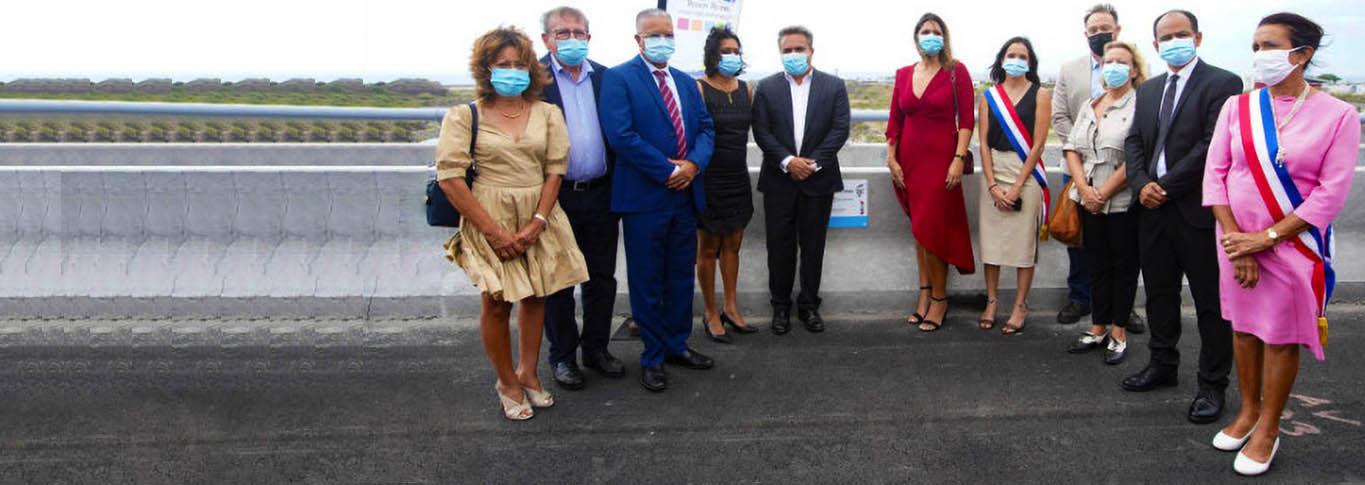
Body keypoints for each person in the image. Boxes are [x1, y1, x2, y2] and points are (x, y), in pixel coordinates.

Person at [1204, 13, 1357, 476]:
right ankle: (1248, 411)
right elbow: (1215, 175)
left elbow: (1330, 193)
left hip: (1293, 245)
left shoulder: (1338, 115)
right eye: (1255, 46)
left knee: (1280, 335)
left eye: (1269, 45)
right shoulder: (1237, 107)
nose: (1259, 55)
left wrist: (1265, 239)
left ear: (1302, 53)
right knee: (1244, 328)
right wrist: (1238, 242)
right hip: (1233, 240)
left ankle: (1269, 427)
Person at [435, 26, 589, 420]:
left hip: (539, 213)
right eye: (503, 64)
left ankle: (529, 373)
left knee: (537, 296)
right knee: (497, 302)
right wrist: (493, 232)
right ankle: (506, 381)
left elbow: (555, 169)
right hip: (488, 214)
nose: (512, 71)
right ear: (486, 69)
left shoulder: (548, 113)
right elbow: (450, 177)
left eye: (520, 64)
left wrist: (537, 221)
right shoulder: (464, 116)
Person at [1120, 10, 1242, 426]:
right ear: (1155, 45)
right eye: (1166, 37)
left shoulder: (1222, 83)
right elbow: (1134, 141)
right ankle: (1162, 364)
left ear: (1198, 37)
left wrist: (1166, 186)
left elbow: (1212, 145)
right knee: (1159, 293)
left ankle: (1212, 384)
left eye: (1182, 34)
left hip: (1198, 211)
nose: (1174, 42)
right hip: (1151, 211)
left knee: (1210, 303)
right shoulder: (1149, 89)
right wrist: (1141, 184)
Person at [598, 8, 716, 392]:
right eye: (654, 35)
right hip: (645, 198)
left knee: (680, 276)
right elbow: (621, 135)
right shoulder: (619, 78)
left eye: (668, 34)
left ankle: (676, 345)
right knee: (647, 280)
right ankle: (651, 356)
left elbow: (706, 130)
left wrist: (693, 165)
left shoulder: (686, 82)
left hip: (685, 196)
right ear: (638, 40)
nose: (662, 41)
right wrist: (668, 171)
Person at [536, 7, 626, 391]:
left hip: (602, 193)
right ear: (547, 39)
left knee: (601, 278)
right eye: (562, 33)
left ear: (589, 37)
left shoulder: (606, 78)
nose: (571, 39)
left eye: (578, 32)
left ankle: (596, 349)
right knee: (559, 282)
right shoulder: (533, 79)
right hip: (555, 199)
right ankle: (563, 356)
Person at [1050, 4, 1146, 333]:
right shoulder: (1070, 70)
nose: (1099, 34)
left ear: (1117, 30)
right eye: (1093, 30)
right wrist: (1083, 155)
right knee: (1082, 241)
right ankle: (1082, 298)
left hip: (1121, 178)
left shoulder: (1138, 85)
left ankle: (1123, 311)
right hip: (1079, 170)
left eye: (1105, 28)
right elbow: (1060, 116)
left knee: (1123, 251)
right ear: (1085, 34)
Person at [752, 25, 851, 335]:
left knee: (813, 247)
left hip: (818, 180)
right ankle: (780, 307)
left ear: (811, 51)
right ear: (780, 53)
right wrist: (788, 162)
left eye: (799, 49)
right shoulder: (766, 87)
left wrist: (811, 163)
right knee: (778, 247)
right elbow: (761, 130)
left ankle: (809, 305)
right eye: (787, 50)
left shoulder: (833, 86)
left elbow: (840, 129)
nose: (793, 54)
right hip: (779, 179)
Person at [887, 12, 975, 332]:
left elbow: (967, 119)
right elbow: (894, 121)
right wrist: (891, 158)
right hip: (909, 162)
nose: (930, 36)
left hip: (941, 162)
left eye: (936, 31)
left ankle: (940, 299)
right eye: (925, 31)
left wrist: (958, 158)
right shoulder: (903, 74)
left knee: (932, 229)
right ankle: (924, 292)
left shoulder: (956, 71)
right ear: (916, 38)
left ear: (944, 37)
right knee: (919, 229)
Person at [975, 36, 1052, 335]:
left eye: (1022, 56)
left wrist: (1018, 186)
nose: (1016, 60)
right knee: (992, 244)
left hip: (1025, 173)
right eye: (1011, 54)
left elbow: (1039, 144)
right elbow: (982, 143)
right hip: (994, 170)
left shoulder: (1040, 95)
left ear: (1030, 63)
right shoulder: (989, 96)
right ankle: (992, 301)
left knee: (1023, 245)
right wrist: (992, 185)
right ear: (1002, 59)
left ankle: (1020, 305)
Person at [694, 26, 758, 343]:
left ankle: (731, 308)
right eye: (725, 51)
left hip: (737, 177)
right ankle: (710, 312)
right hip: (709, 178)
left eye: (735, 51)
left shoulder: (747, 89)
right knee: (708, 248)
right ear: (712, 55)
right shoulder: (699, 88)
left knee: (733, 245)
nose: (732, 56)